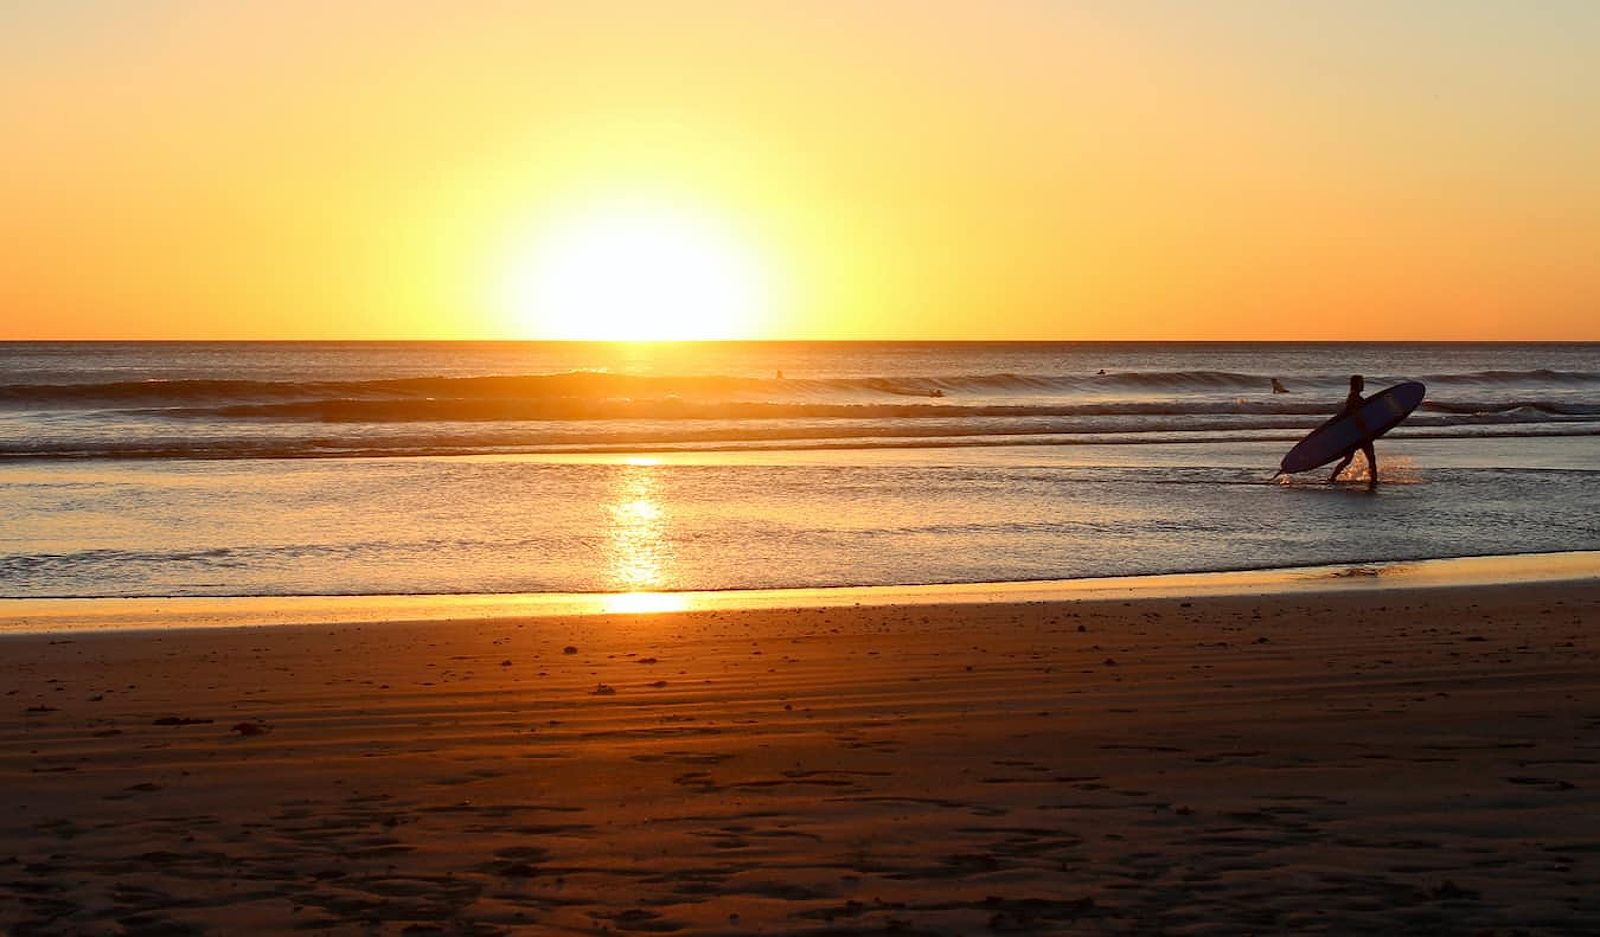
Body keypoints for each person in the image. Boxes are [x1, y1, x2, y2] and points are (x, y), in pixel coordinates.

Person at [1327, 374, 1377, 489]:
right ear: (1356, 384)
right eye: (1361, 382)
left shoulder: (1354, 397)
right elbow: (1355, 415)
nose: (1363, 385)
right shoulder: (1354, 397)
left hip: (1353, 434)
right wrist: (1365, 429)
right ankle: (1374, 481)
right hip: (1359, 434)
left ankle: (1332, 478)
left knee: (1348, 459)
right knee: (1371, 459)